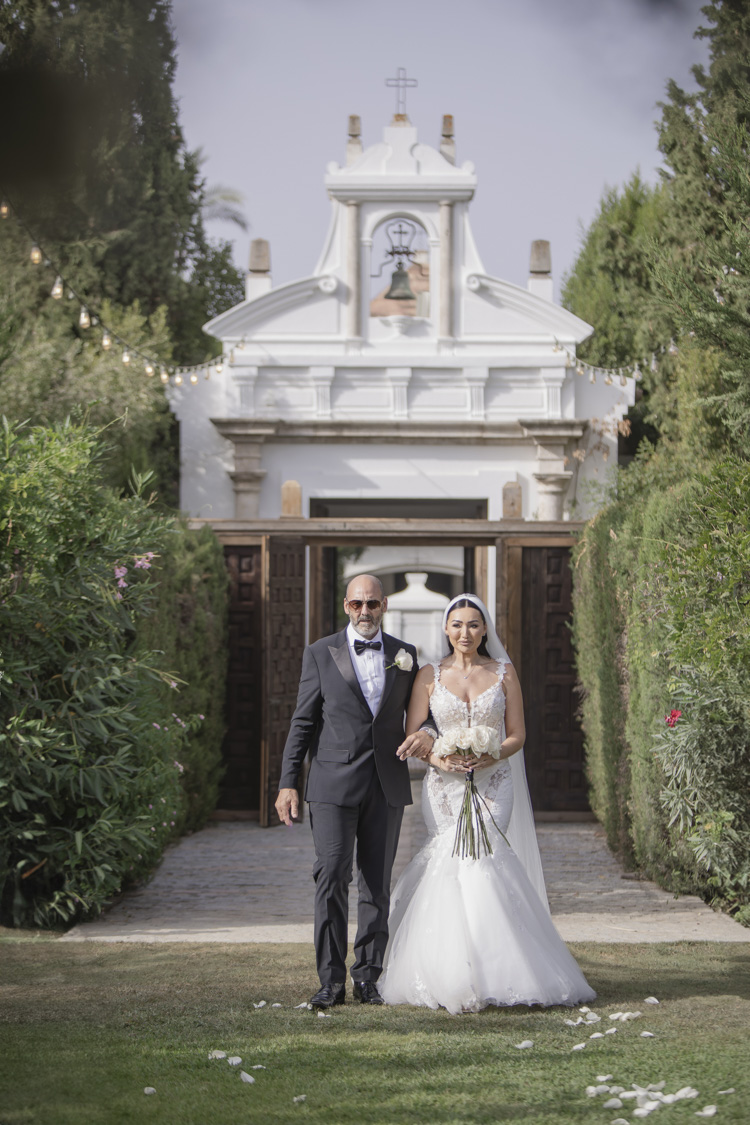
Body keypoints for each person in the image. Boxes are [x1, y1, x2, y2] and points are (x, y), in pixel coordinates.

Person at [379, 592, 596, 1013]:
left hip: (495, 781)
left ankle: (501, 970)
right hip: (444, 787)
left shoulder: (503, 673)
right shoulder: (428, 674)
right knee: (450, 861)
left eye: (473, 625)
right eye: (457, 624)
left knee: (487, 859)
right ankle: (450, 970)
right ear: (446, 628)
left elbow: (517, 734)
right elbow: (416, 734)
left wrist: (491, 753)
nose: (465, 632)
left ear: (484, 630)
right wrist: (444, 759)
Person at [275, 574, 434, 1009]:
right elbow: (303, 722)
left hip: (386, 783)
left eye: (372, 604)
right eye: (356, 604)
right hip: (331, 785)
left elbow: (426, 714)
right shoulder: (319, 653)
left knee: (375, 884)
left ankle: (368, 977)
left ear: (384, 605)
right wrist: (289, 781)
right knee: (330, 877)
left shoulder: (406, 655)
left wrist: (430, 733)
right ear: (346, 606)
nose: (365, 612)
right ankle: (330, 981)